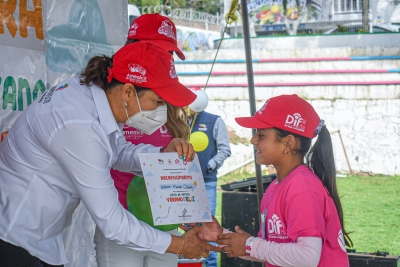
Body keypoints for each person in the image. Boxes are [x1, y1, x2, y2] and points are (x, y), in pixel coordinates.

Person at [0, 42, 220, 267]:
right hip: (15, 238)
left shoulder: (90, 96)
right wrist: (179, 245)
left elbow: (117, 152)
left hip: (39, 237)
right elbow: (112, 222)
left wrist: (162, 155)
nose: (160, 112)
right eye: (157, 102)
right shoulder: (79, 124)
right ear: (127, 91)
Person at [184, 94, 353, 267]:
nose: (253, 140)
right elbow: (272, 251)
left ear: (288, 143)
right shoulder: (277, 186)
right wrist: (220, 235)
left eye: (261, 135)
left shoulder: (303, 187)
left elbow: (307, 257)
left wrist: (249, 245)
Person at [187, 87, 231, 267]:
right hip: (185, 183)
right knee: (187, 223)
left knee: (208, 224)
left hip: (207, 181)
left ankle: (210, 263)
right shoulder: (181, 120)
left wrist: (209, 165)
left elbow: (225, 149)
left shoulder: (214, 121)